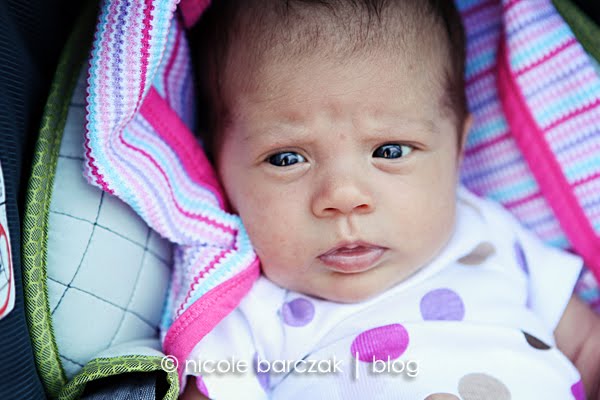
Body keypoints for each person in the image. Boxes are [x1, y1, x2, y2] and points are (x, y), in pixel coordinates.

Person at [181, 0, 600, 398]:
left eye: (391, 151)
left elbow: (588, 349)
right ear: (216, 165)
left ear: (457, 151)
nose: (343, 196)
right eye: (286, 159)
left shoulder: (490, 233)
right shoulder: (247, 310)